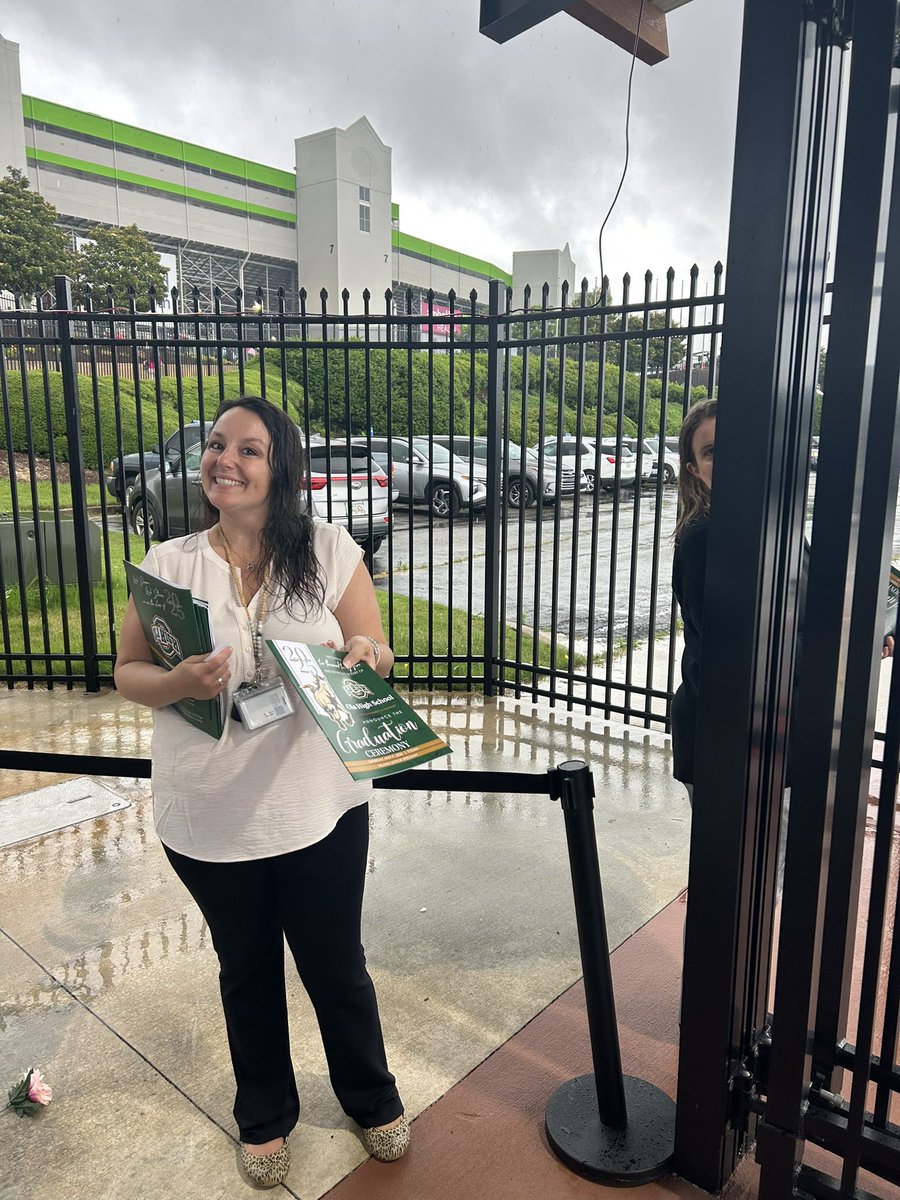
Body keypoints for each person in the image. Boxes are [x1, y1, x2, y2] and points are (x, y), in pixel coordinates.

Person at [114, 397, 409, 1189]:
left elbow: (374, 648)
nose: (225, 460)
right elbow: (127, 673)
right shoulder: (167, 563)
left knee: (334, 964)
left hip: (317, 805)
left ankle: (371, 1098)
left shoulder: (330, 549)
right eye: (216, 446)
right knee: (245, 969)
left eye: (248, 449)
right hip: (206, 814)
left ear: (280, 466)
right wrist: (174, 680)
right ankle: (264, 1117)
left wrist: (364, 654)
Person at [671, 398, 893, 802]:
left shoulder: (781, 528)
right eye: (712, 451)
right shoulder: (705, 539)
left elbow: (806, 615)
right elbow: (741, 652)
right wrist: (846, 649)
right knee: (754, 866)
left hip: (780, 738)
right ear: (696, 471)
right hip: (731, 744)